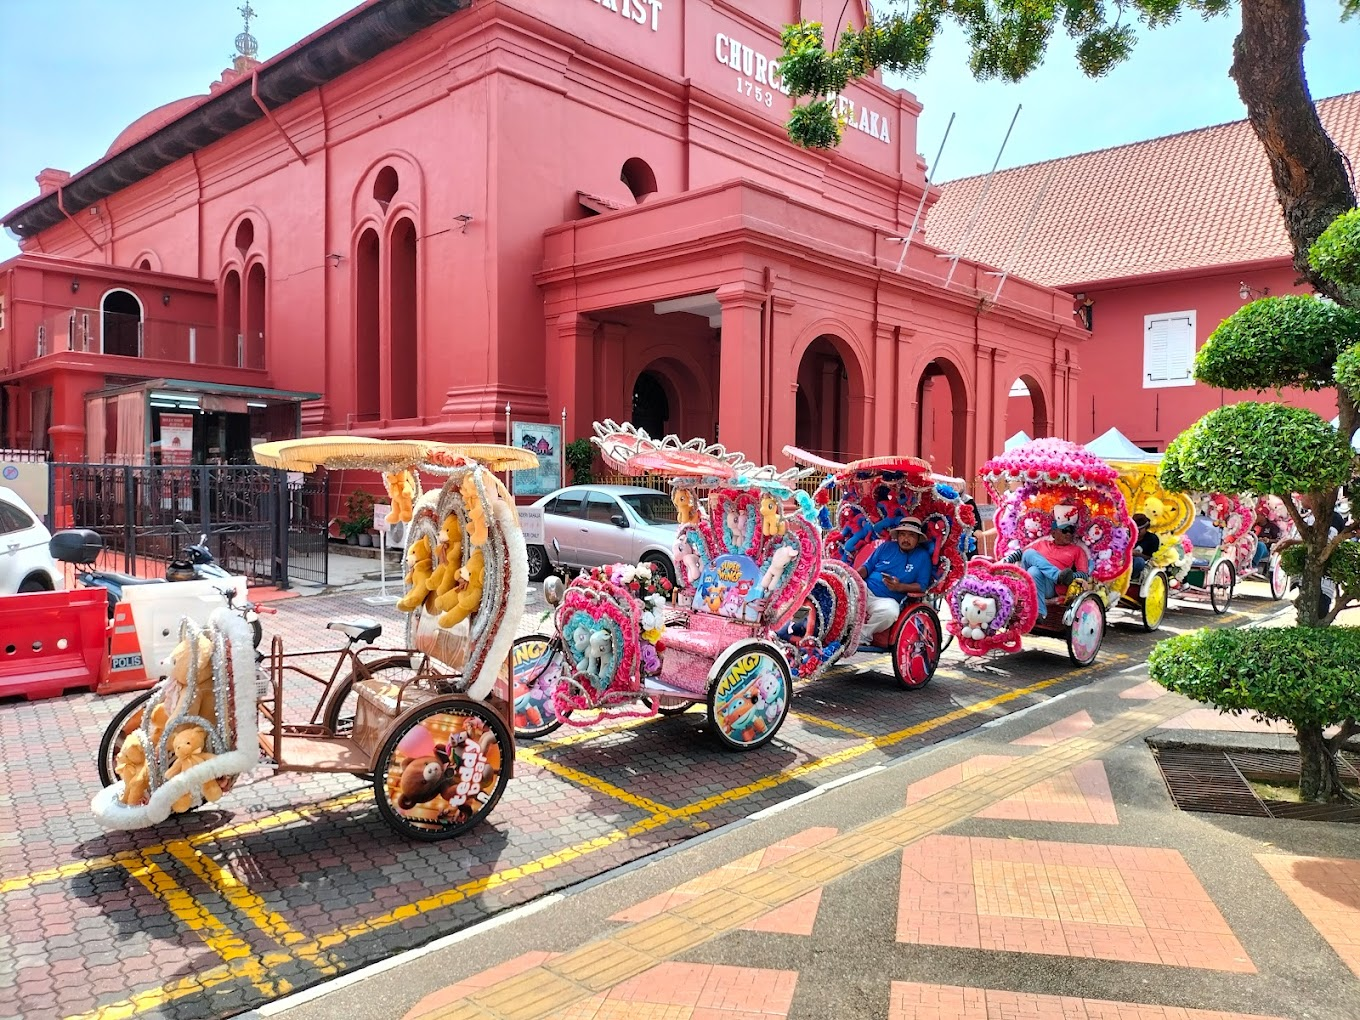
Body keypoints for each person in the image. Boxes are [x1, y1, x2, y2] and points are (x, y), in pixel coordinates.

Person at [859, 518, 935, 635]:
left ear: (918, 539)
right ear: (898, 536)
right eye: (902, 534)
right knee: (843, 590)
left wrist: (899, 587)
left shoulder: (922, 557)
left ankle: (861, 636)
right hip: (865, 590)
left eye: (911, 536)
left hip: (887, 600)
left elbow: (922, 586)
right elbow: (867, 567)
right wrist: (853, 576)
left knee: (890, 613)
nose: (906, 539)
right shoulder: (886, 547)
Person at [1006, 519, 1090, 605]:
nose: (1069, 534)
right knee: (1030, 557)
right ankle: (1057, 576)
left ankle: (1057, 578)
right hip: (1030, 581)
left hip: (1051, 586)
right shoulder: (1042, 544)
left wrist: (1070, 577)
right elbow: (1022, 553)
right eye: (1065, 530)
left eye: (1071, 531)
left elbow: (1084, 574)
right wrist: (1006, 560)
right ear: (1053, 533)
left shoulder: (1077, 550)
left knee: (1033, 569)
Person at [1131, 514, 1161, 579]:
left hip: (1142, 565)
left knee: (1139, 561)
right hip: (1124, 561)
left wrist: (1137, 554)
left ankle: (1131, 579)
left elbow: (1152, 559)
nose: (1137, 532)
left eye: (1139, 530)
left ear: (1146, 528)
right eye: (1134, 529)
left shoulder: (1152, 539)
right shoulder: (1126, 535)